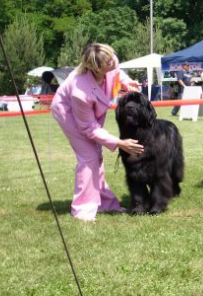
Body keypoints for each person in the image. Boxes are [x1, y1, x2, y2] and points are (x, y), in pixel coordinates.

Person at [50, 43, 144, 221]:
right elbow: (88, 127)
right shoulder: (81, 91)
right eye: (109, 60)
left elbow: (116, 71)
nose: (114, 60)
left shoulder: (109, 66)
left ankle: (104, 203)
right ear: (96, 68)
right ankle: (83, 210)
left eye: (112, 55)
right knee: (89, 157)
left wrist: (126, 81)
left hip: (90, 115)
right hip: (68, 113)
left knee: (96, 156)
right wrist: (119, 143)